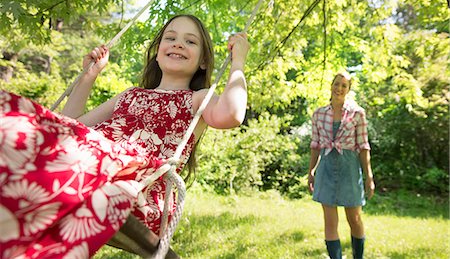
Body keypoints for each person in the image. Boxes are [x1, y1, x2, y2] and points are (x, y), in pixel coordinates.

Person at [0, 14, 250, 258]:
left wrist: (237, 62)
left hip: (138, 182)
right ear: (158, 50)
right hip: (92, 158)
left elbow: (232, 114)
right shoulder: (130, 95)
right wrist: (89, 76)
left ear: (203, 61)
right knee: (17, 120)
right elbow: (70, 128)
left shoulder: (197, 99)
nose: (178, 44)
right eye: (170, 38)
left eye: (190, 41)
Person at [307, 72, 375, 259]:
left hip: (349, 170)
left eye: (344, 86)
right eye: (337, 84)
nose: (339, 88)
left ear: (348, 89)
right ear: (331, 86)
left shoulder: (357, 113)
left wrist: (369, 176)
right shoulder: (319, 114)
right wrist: (311, 171)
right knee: (330, 222)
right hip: (326, 169)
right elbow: (315, 145)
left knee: (354, 218)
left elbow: (363, 147)